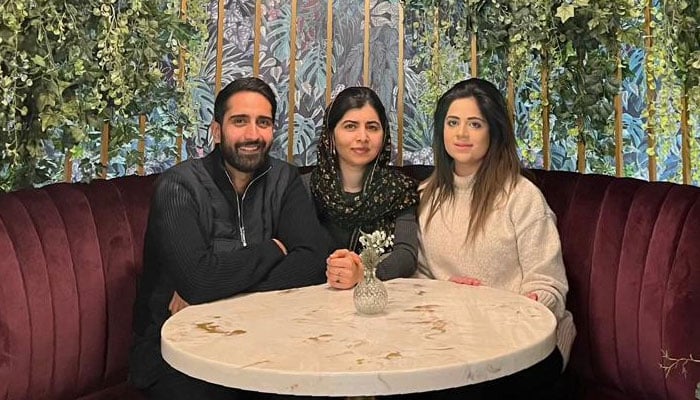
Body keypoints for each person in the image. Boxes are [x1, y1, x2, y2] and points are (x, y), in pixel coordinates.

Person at [129, 77, 330, 400]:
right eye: (240, 121)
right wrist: (273, 249)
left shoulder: (284, 179)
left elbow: (312, 261)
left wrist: (216, 291)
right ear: (217, 130)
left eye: (263, 122)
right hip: (177, 355)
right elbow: (198, 278)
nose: (252, 134)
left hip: (261, 345)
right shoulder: (179, 187)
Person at [414, 78, 576, 399]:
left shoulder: (522, 197)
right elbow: (419, 278)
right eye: (453, 123)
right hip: (452, 342)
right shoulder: (425, 197)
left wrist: (513, 307)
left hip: (526, 346)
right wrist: (445, 292)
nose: (461, 134)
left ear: (494, 132)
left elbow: (549, 287)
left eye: (475, 124)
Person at [304, 86, 419, 289]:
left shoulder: (400, 190)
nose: (363, 137)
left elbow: (406, 256)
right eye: (350, 126)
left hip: (379, 301)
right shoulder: (304, 187)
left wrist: (364, 273)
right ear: (331, 134)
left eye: (372, 127)